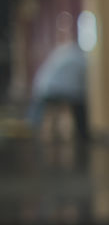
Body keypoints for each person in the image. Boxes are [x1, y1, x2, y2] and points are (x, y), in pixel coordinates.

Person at [28, 35, 91, 170]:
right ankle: (82, 134)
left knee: (51, 113)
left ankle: (49, 137)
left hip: (44, 88)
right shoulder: (81, 58)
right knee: (78, 107)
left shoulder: (64, 52)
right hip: (60, 89)